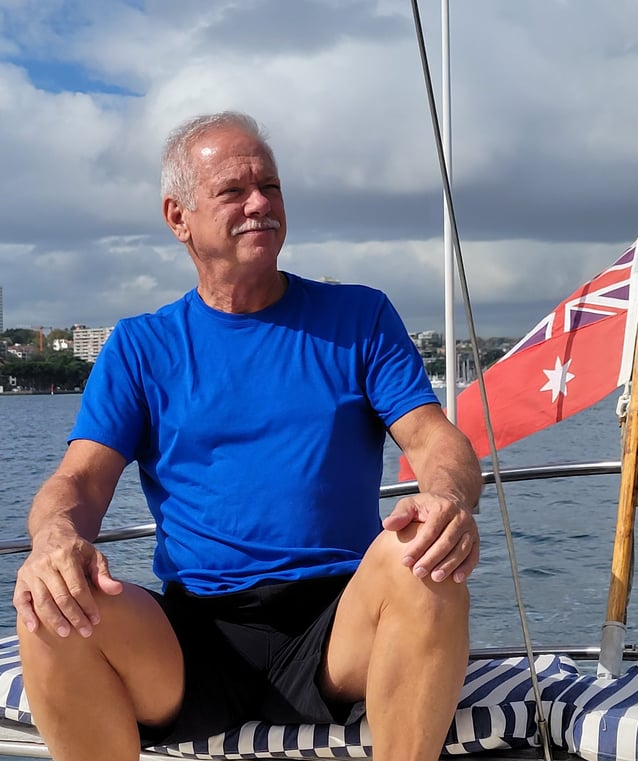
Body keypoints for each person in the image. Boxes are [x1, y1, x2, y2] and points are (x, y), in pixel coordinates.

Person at [13, 111, 482, 761]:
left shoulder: (360, 318)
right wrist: (56, 537)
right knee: (49, 604)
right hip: (193, 637)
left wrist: (447, 498)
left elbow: (435, 440)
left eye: (271, 185)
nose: (260, 202)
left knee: (420, 558)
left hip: (338, 628)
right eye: (233, 190)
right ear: (178, 217)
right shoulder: (141, 347)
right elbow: (79, 482)